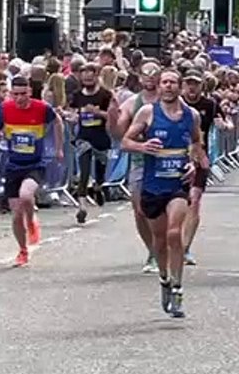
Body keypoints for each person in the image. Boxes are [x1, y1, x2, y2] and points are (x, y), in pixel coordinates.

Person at [122, 69, 206, 318]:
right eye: (164, 82)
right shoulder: (147, 113)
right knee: (159, 241)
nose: (168, 86)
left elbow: (195, 143)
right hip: (152, 184)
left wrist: (193, 162)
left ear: (179, 87)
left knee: (173, 232)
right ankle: (164, 280)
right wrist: (143, 146)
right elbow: (126, 141)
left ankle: (178, 288)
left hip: (177, 184)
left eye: (173, 82)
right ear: (159, 87)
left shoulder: (191, 115)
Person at [0, 75, 63, 266]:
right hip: (13, 165)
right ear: (10, 94)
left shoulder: (41, 108)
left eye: (23, 94)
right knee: (15, 215)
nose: (19, 98)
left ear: (30, 92)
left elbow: (57, 122)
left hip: (35, 163)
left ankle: (31, 221)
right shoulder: (5, 109)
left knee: (26, 195)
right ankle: (22, 251)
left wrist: (58, 148)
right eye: (15, 94)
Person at [115, 63, 162, 273]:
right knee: (141, 211)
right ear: (140, 78)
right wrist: (112, 115)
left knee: (167, 209)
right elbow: (120, 134)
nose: (150, 78)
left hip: (168, 162)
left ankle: (166, 246)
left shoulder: (170, 101)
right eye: (146, 74)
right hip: (140, 162)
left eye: (154, 74)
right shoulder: (132, 103)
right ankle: (152, 251)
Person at [68, 62, 115, 224]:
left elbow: (113, 116)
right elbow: (73, 113)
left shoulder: (105, 95)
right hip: (83, 138)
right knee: (84, 171)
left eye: (90, 75)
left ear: (96, 76)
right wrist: (71, 116)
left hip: (101, 138)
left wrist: (97, 112)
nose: (87, 78)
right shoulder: (77, 95)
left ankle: (98, 187)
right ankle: (82, 207)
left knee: (100, 172)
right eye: (84, 75)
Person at [180, 69, 218, 266]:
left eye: (195, 83)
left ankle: (185, 248)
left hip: (199, 156)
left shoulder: (209, 105)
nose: (192, 87)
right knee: (175, 204)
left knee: (194, 200)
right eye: (188, 83)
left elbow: (209, 127)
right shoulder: (175, 103)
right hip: (176, 157)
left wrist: (201, 154)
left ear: (202, 85)